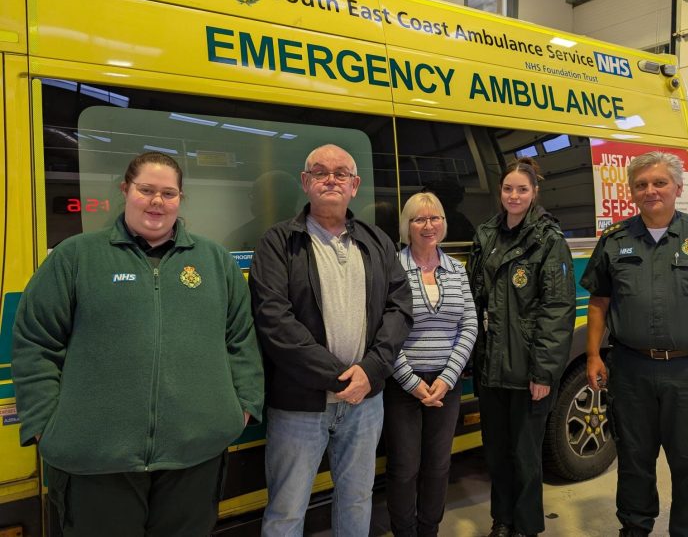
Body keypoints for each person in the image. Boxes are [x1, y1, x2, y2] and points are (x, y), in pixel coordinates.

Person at [12, 151, 264, 537]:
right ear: (125, 190)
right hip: (96, 461)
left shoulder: (214, 261)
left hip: (194, 456)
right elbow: (35, 341)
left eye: (169, 193)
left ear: (180, 199)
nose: (157, 202)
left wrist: (240, 409)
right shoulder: (77, 257)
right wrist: (47, 424)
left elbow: (240, 338)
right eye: (146, 190)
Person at [580, 151, 688, 537]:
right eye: (641, 185)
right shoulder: (614, 241)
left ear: (678, 188)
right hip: (630, 371)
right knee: (633, 459)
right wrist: (593, 354)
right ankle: (635, 527)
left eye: (659, 183)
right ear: (631, 192)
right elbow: (599, 302)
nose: (650, 191)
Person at [249, 143, 413, 537]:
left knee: (357, 499)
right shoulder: (277, 243)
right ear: (306, 183)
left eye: (341, 173)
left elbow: (399, 308)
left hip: (364, 405)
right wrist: (341, 379)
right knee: (287, 509)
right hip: (299, 406)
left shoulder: (377, 241)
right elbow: (274, 321)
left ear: (354, 185)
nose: (331, 179)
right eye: (320, 172)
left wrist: (370, 371)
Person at [467, 157, 576, 537]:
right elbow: (475, 300)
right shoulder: (486, 234)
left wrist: (544, 372)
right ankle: (503, 519)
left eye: (522, 189)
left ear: (534, 193)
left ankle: (526, 526)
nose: (514, 195)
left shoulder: (548, 240)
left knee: (526, 456)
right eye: (508, 189)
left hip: (528, 371)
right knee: (496, 452)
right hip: (492, 368)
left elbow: (557, 311)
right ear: (500, 192)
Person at [384, 192, 478, 537]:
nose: (428, 225)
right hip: (403, 385)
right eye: (419, 219)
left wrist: (448, 377)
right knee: (404, 467)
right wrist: (411, 381)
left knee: (439, 466)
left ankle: (429, 530)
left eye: (435, 217)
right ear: (407, 226)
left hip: (446, 386)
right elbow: (384, 329)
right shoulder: (392, 268)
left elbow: (469, 325)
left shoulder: (456, 269)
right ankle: (405, 531)